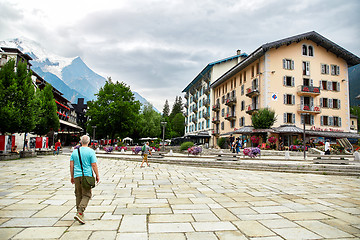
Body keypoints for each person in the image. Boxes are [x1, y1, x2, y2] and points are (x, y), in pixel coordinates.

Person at [70, 135, 99, 224]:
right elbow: (93, 165)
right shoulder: (91, 152)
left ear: (80, 142)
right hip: (87, 176)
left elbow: (71, 165)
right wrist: (97, 175)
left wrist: (72, 176)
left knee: (78, 194)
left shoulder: (75, 152)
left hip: (77, 176)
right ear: (89, 142)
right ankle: (80, 212)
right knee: (87, 195)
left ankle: (79, 213)